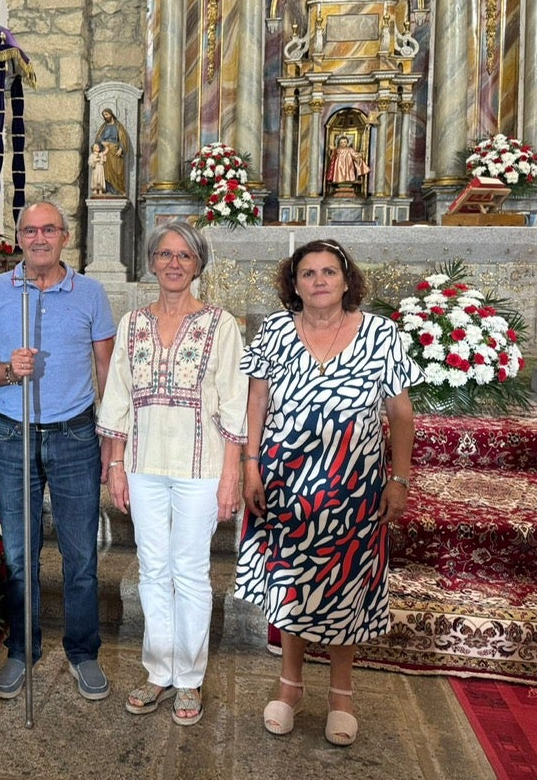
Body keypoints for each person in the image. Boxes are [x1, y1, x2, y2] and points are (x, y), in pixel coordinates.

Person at [238, 238, 420, 746]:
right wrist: (250, 466)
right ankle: (290, 686)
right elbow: (257, 401)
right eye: (308, 273)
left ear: (346, 279)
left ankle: (342, 695)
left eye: (329, 272)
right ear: (294, 284)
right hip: (285, 482)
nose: (319, 281)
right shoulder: (275, 330)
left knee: (347, 586)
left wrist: (399, 478)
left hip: (354, 485)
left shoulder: (381, 334)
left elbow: (400, 414)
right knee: (293, 583)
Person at [98, 221, 247, 727]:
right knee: (152, 570)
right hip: (142, 465)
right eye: (165, 254)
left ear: (198, 263)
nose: (174, 263)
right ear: (152, 262)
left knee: (190, 571)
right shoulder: (133, 323)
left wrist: (231, 478)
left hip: (201, 467)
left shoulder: (221, 325)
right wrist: (116, 465)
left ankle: (189, 678)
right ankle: (158, 672)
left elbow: (235, 407)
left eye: (184, 255)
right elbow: (117, 399)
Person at [0, 201, 116, 702]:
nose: (39, 238)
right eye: (30, 230)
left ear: (65, 237)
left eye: (48, 229)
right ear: (19, 239)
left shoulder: (91, 294)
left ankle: (83, 652)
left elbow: (108, 372)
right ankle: (21, 650)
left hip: (75, 435)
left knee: (80, 556)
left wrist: (112, 439)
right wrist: (10, 369)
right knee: (18, 554)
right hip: (14, 434)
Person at [97, 108, 129, 197]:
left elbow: (123, 139)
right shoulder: (104, 127)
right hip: (106, 151)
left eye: (106, 114)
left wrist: (121, 149)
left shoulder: (118, 126)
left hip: (115, 151)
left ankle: (119, 190)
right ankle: (108, 190)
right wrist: (102, 142)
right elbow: (98, 138)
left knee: (117, 171)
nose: (105, 117)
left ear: (111, 114)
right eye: (104, 115)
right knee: (105, 172)